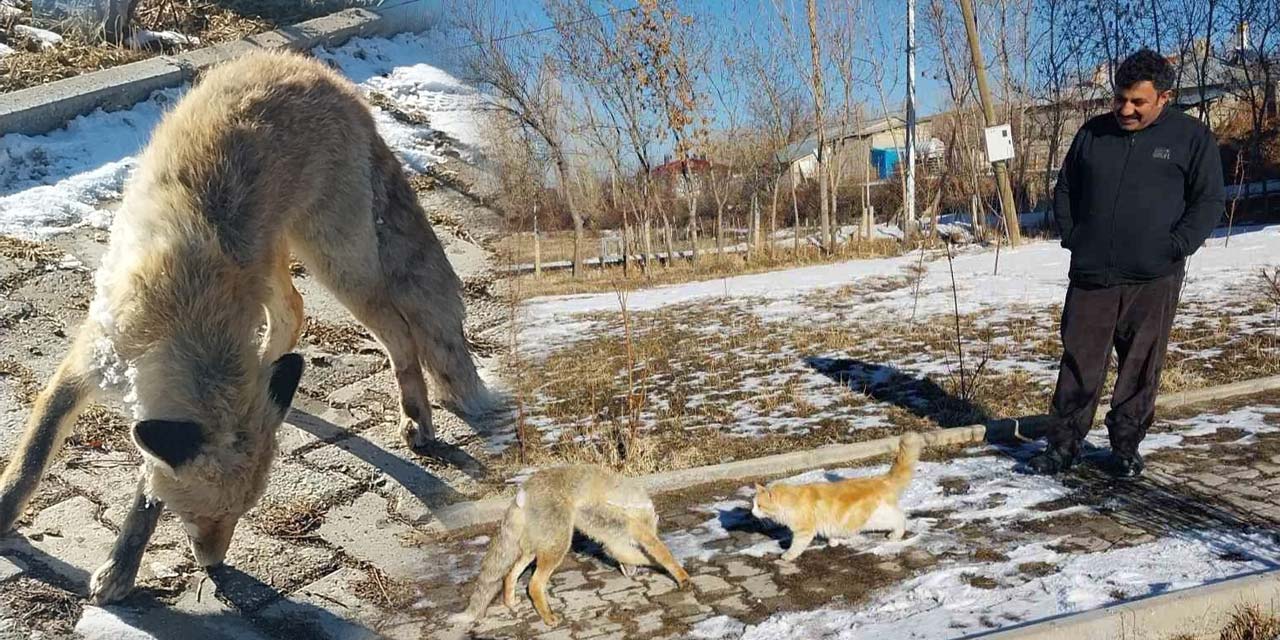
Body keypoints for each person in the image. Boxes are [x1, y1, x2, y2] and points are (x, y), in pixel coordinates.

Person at [1027, 48, 1226, 479]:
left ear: (1164, 98)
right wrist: (1075, 237)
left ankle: (1124, 447)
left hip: (1153, 275)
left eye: (1138, 102)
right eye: (1120, 99)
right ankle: (1063, 445)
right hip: (1092, 273)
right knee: (1080, 361)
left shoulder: (1191, 139)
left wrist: (1175, 246)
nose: (1126, 109)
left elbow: (1208, 200)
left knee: (1140, 364)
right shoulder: (1093, 134)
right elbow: (1065, 190)